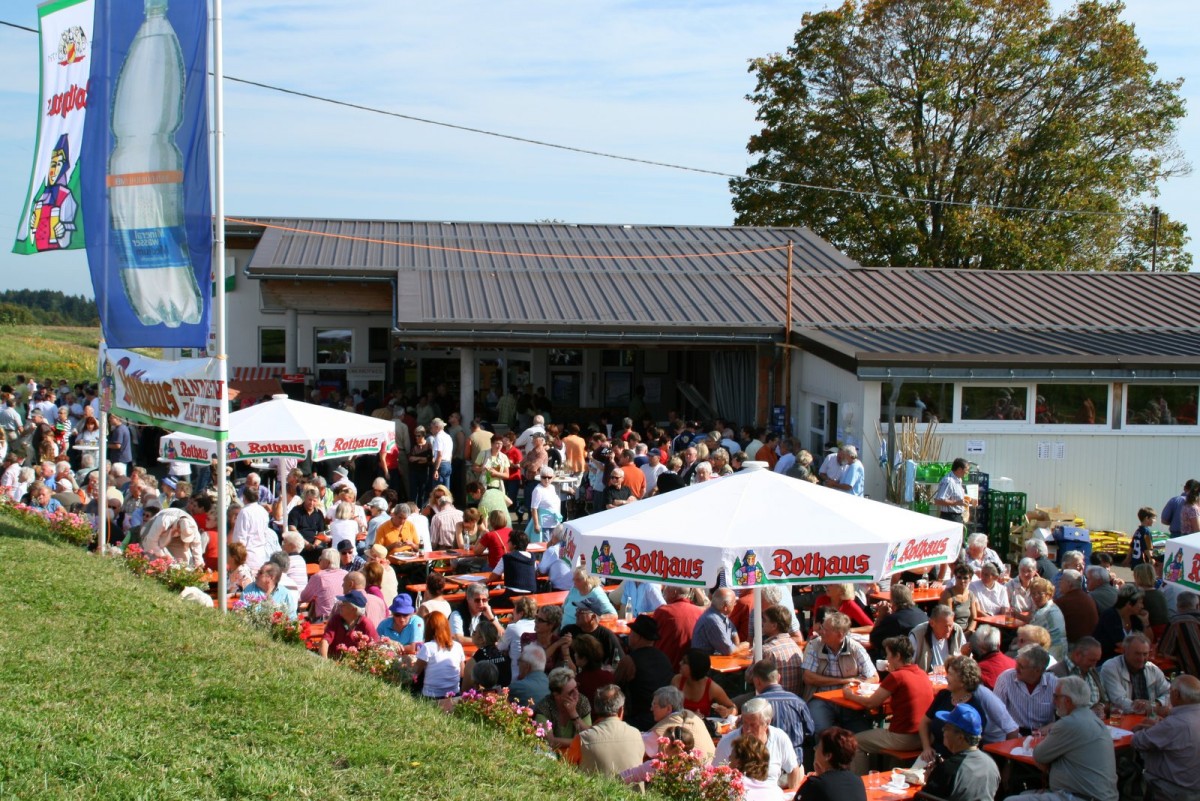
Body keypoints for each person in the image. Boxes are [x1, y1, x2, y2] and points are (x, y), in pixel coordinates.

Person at [1004, 676, 1118, 801]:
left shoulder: (1069, 723)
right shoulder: (1094, 719)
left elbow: (1039, 755)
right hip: (1095, 795)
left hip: (1080, 796)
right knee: (1023, 795)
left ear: (1068, 701)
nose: (1053, 701)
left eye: (1056, 697)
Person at [847, 636, 933, 773]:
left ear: (897, 656)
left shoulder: (897, 677)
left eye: (888, 655)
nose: (887, 659)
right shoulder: (921, 673)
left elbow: (870, 703)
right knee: (875, 741)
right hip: (925, 736)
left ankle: (861, 784)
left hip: (904, 737)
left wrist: (849, 695)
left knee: (854, 743)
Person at [919, 654, 1017, 761]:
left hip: (958, 762)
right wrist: (926, 748)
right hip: (932, 755)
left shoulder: (974, 709)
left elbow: (971, 746)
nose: (946, 677)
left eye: (950, 674)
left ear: (962, 681)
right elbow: (924, 722)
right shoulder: (943, 695)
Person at [802, 611, 878, 732]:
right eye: (821, 628)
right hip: (821, 699)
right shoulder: (815, 645)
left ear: (840, 634)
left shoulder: (855, 648)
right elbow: (808, 677)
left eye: (825, 629)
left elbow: (874, 677)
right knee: (822, 729)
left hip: (848, 700)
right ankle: (821, 749)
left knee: (860, 731)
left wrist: (856, 687)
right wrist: (845, 681)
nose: (821, 632)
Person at [714, 698, 803, 796]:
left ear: (767, 723)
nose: (747, 730)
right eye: (744, 723)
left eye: (753, 725)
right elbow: (715, 775)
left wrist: (794, 795)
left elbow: (793, 769)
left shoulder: (780, 737)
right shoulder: (727, 742)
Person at [1131, 674, 1200, 801]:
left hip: (1172, 791)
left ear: (1176, 694)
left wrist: (1141, 728)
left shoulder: (1175, 724)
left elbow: (1138, 741)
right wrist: (1159, 727)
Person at [921, 703, 1001, 801]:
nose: (942, 730)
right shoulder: (991, 763)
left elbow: (924, 798)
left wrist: (930, 779)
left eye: (946, 728)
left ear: (960, 737)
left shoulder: (949, 769)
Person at [746, 658, 814, 768]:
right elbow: (810, 732)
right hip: (795, 767)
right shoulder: (798, 702)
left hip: (764, 768)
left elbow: (745, 734)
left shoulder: (755, 706)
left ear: (757, 681)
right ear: (778, 678)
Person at [613, 614, 675, 731]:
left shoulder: (629, 661)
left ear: (638, 637)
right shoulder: (664, 658)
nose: (629, 636)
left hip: (637, 721)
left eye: (631, 633)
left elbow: (615, 686)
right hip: (665, 717)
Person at [578, 685, 644, 778]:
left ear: (596, 709)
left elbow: (568, 768)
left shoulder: (583, 738)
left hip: (595, 792)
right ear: (621, 710)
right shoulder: (637, 735)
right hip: (633, 792)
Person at [993, 644, 1057, 734]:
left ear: (1037, 670)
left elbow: (1066, 717)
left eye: (1021, 667)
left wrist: (1051, 727)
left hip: (1043, 736)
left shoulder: (1054, 683)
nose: (1016, 668)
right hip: (1013, 734)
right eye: (1017, 663)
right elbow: (995, 713)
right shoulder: (1006, 678)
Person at [1100, 632, 1170, 715]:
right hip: (1122, 719)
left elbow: (1169, 692)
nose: (1141, 659)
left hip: (1149, 717)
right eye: (1137, 654)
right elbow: (1118, 701)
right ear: (1125, 651)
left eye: (1145, 654)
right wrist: (1149, 709)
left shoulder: (1152, 668)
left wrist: (1156, 703)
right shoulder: (1110, 667)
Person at [645, 685, 716, 763]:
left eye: (655, 705)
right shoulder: (690, 715)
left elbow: (641, 745)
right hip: (709, 768)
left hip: (694, 772)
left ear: (668, 708)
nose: (651, 709)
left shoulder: (671, 723)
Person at [797, 727, 865, 801]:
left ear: (828, 756)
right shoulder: (857, 781)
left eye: (818, 747)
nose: (815, 750)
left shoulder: (814, 785)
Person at [535, 666, 593, 751]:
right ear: (557, 695)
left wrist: (574, 714)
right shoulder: (544, 707)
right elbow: (550, 741)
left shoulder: (582, 702)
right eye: (570, 692)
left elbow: (590, 736)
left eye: (576, 687)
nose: (576, 693)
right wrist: (580, 741)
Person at [671, 648, 736, 718]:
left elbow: (733, 708)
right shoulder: (677, 680)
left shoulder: (712, 688)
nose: (680, 663)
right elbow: (669, 708)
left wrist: (727, 712)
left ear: (694, 667)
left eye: (684, 662)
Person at [1049, 636, 1107, 713]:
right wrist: (1088, 713)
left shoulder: (1091, 671)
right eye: (1092, 660)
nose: (1094, 665)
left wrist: (1101, 706)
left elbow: (1105, 701)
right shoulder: (1055, 673)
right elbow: (1054, 709)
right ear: (1077, 655)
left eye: (1096, 661)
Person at [560, 595, 621, 668]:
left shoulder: (606, 636)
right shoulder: (568, 631)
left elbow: (619, 661)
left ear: (593, 617)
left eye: (580, 612)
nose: (576, 614)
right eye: (577, 610)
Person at [654, 585, 705, 670]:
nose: (663, 593)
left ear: (674, 593)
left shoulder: (663, 611)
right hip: (691, 668)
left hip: (664, 666)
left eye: (666, 589)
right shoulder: (699, 612)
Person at [870, 583, 929, 656]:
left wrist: (881, 616)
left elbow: (873, 640)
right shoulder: (921, 613)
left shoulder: (894, 619)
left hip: (905, 658)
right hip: (923, 655)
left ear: (893, 601)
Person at [1093, 584, 1149, 660]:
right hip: (1107, 661)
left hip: (1128, 659)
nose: (1142, 606)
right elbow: (1120, 644)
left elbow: (1147, 641)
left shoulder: (1134, 618)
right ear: (1129, 604)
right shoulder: (1110, 616)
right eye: (1140, 602)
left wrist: (1145, 623)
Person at [318, 589, 379, 659]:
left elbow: (374, 648)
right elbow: (325, 641)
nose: (340, 606)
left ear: (353, 609)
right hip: (333, 661)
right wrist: (324, 661)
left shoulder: (366, 624)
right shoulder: (336, 619)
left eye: (343, 604)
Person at [761, 605, 805, 696]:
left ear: (774, 626)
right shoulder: (797, 648)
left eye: (764, 620)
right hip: (795, 699)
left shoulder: (767, 650)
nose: (762, 623)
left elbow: (749, 677)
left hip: (770, 700)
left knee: (734, 703)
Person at [691, 587, 749, 656]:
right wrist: (742, 646)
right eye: (734, 602)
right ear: (725, 606)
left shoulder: (719, 614)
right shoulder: (713, 619)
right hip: (705, 663)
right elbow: (728, 650)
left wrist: (736, 646)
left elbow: (733, 631)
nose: (735, 604)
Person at [909, 604, 967, 672]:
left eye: (950, 626)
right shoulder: (917, 634)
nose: (948, 630)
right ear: (932, 623)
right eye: (945, 626)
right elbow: (908, 664)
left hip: (952, 677)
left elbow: (965, 659)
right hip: (926, 678)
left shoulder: (957, 630)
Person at [729, 734, 784, 801]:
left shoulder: (730, 791)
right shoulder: (777, 793)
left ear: (738, 762)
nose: (728, 760)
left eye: (730, 757)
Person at [1158, 590, 1200, 677]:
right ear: (1197, 606)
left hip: (1194, 678)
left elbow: (1163, 652)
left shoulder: (1176, 622)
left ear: (1177, 606)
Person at [460, 621, 510, 693]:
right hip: (504, 698)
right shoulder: (505, 655)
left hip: (484, 700)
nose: (472, 634)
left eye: (474, 632)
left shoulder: (473, 662)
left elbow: (465, 691)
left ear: (482, 639)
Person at [298, 548, 346, 622]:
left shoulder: (318, 577)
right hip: (344, 618)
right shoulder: (346, 574)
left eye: (320, 559)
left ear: (328, 562)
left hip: (326, 620)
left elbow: (304, 597)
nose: (318, 561)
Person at [1028, 576, 1068, 660]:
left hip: (1050, 653)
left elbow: (1029, 636)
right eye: (1033, 593)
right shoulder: (1053, 607)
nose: (1035, 597)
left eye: (1039, 593)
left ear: (1049, 595)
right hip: (1060, 650)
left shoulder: (1044, 612)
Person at [933, 458, 976, 523]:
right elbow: (938, 501)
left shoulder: (958, 480)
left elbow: (956, 495)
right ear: (959, 470)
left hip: (958, 516)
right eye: (966, 470)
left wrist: (970, 499)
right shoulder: (949, 481)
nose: (967, 472)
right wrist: (956, 503)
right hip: (949, 517)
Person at [941, 564, 980, 634]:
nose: (962, 580)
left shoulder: (971, 595)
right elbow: (948, 619)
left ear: (970, 579)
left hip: (967, 632)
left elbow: (974, 618)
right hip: (952, 631)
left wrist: (969, 631)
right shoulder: (948, 594)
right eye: (959, 577)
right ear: (955, 577)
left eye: (965, 578)